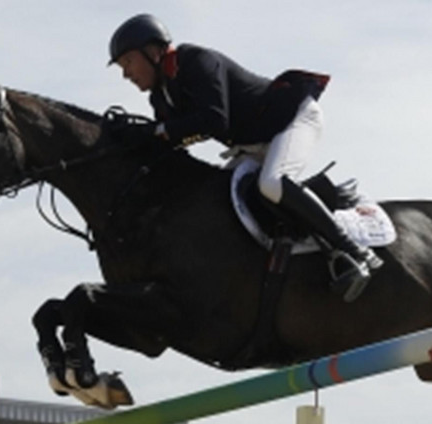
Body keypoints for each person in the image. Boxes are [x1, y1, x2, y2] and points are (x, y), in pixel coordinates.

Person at [107, 14, 382, 302]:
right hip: (252, 144)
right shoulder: (160, 98)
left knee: (273, 183)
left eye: (127, 62)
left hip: (291, 119)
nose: (126, 74)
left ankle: (354, 252)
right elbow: (171, 143)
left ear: (153, 52)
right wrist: (130, 140)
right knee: (218, 198)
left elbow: (214, 121)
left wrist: (157, 131)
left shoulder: (196, 61)